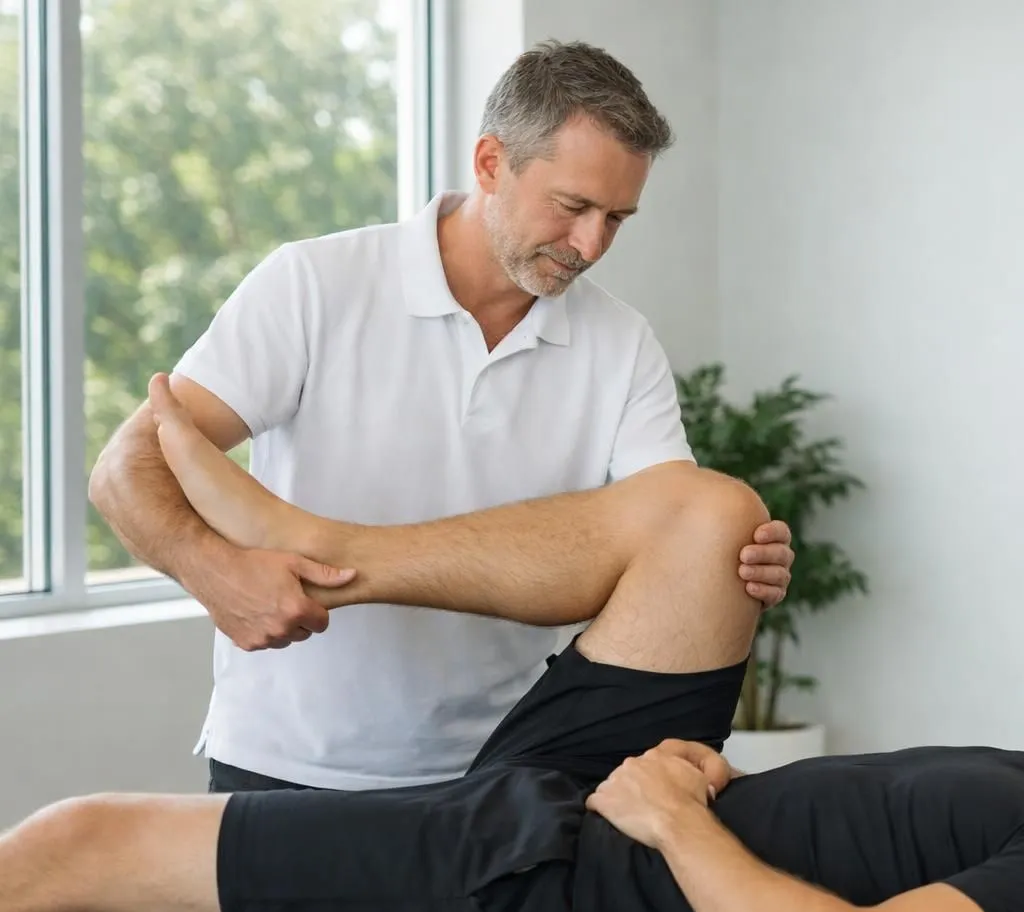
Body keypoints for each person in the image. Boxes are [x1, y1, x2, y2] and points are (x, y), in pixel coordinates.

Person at [2, 378, 1024, 912]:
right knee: (707, 518)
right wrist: (677, 793)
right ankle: (319, 540)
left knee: (72, 846)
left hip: (541, 871)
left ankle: (303, 540)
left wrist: (676, 823)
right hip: (608, 797)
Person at [86, 40, 797, 795]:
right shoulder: (315, 285)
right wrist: (212, 569)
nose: (592, 244)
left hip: (503, 766)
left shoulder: (621, 343)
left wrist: (726, 556)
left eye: (617, 217)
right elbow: (126, 468)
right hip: (289, 762)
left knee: (713, 518)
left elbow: (665, 534)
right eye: (573, 207)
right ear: (491, 162)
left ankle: (329, 547)